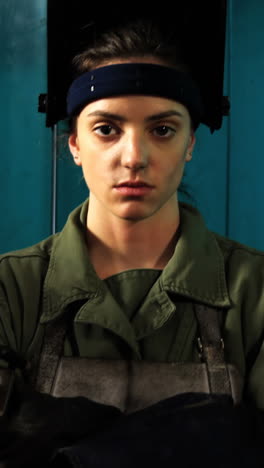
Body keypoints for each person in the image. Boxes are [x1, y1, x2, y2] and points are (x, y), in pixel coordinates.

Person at [1, 19, 264, 468]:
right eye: (107, 128)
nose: (134, 156)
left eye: (162, 130)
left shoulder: (254, 289)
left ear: (190, 144)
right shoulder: (12, 288)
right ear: (75, 145)